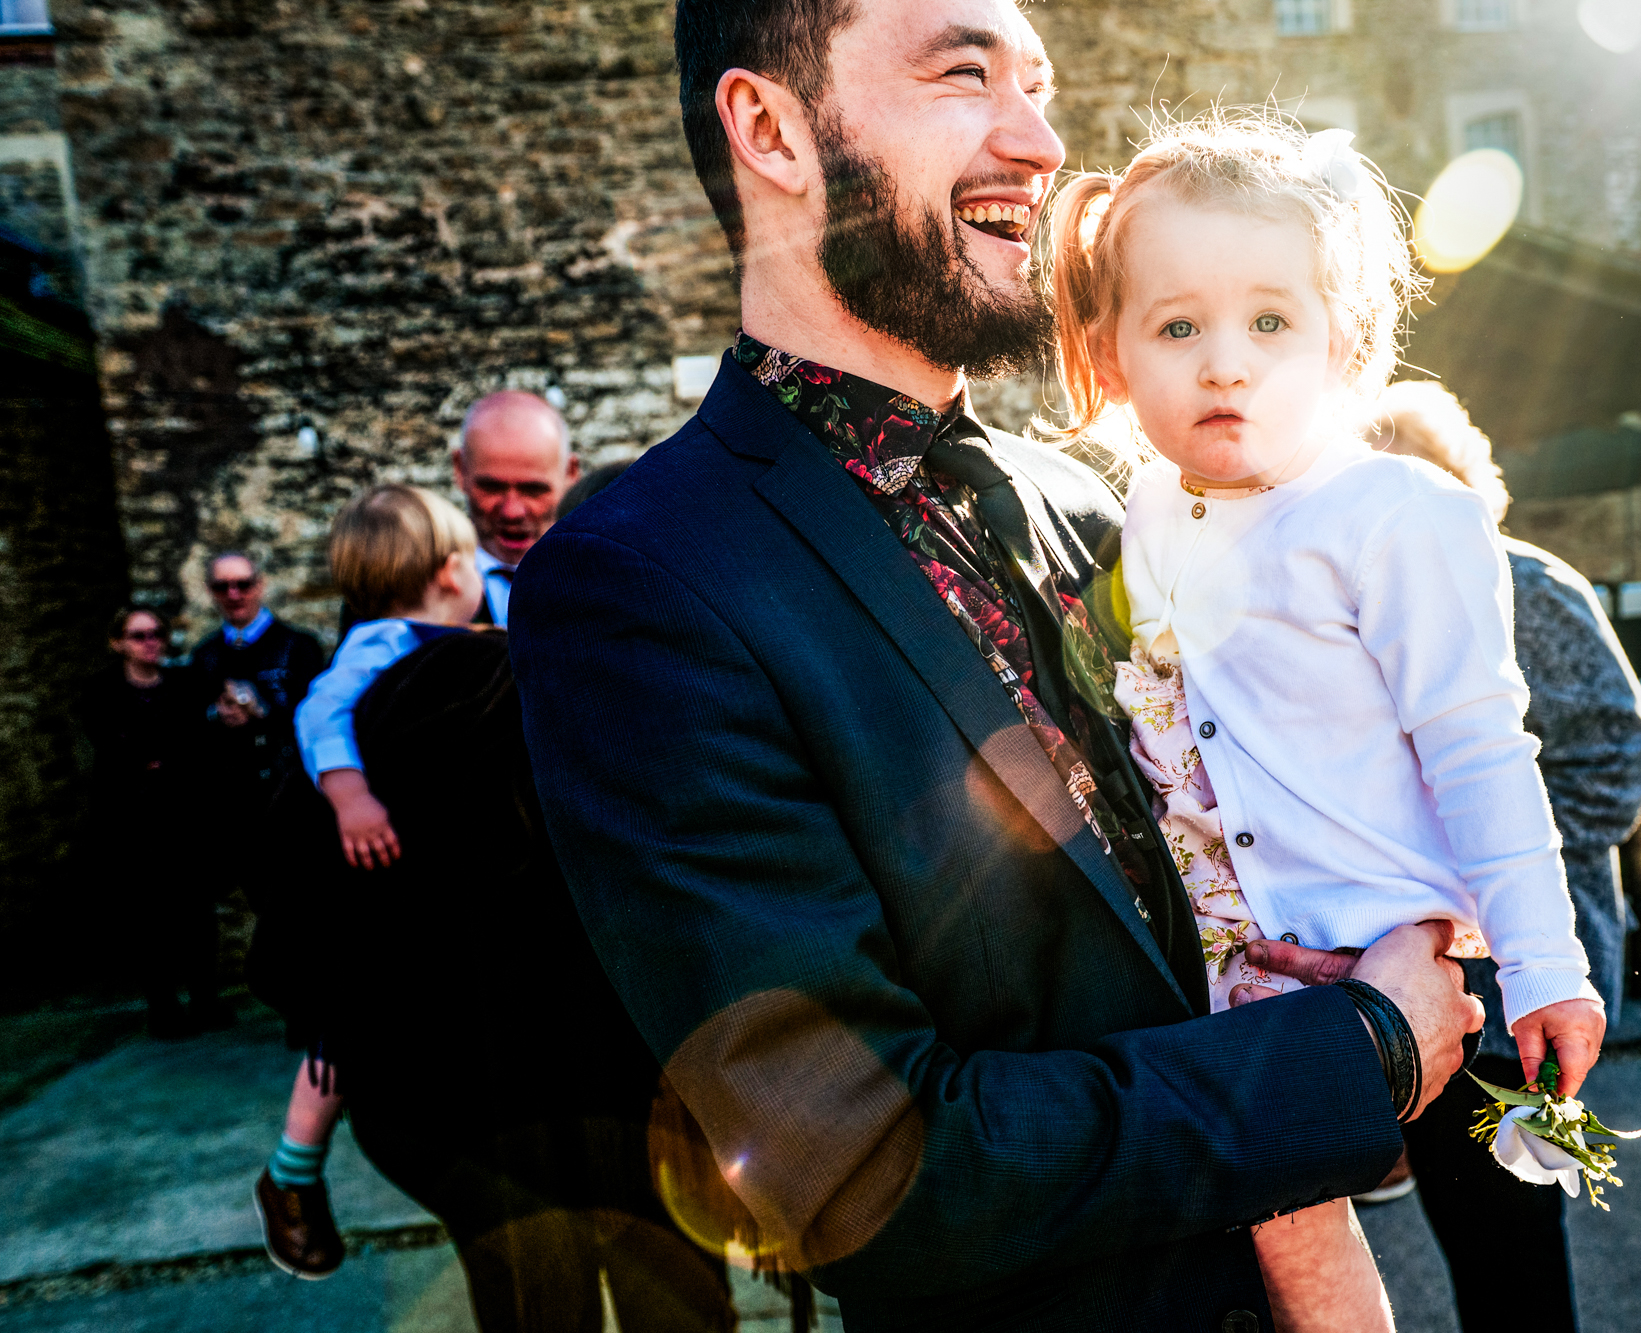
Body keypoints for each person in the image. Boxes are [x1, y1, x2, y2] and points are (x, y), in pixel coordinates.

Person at [509, 3, 1484, 1330]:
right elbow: (856, 1170)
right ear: (771, 129)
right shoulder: (641, 586)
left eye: (1038, 83)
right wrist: (1353, 1052)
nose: (1040, 141)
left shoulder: (1100, 506)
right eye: (965, 74)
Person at [1042, 114, 1608, 1333]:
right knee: (1293, 1268)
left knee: (1509, 1270)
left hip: (1442, 993)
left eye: (1269, 321)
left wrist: (1541, 966)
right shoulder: (1138, 509)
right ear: (1110, 351)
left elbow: (1479, 749)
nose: (1224, 364)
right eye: (1176, 325)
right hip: (1267, 1006)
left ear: (1341, 336)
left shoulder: (1392, 515)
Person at [254, 627, 737, 1332]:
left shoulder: (419, 681)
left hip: (556, 1077)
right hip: (532, 1074)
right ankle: (295, 1164)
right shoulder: (417, 675)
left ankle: (297, 1163)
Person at [1368, 380, 1641, 1333]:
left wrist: (1497, 865)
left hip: (1521, 1001)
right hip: (1447, 997)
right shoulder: (1384, 600)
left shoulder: (1524, 583)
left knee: (1514, 1253)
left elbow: (1620, 757)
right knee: (1482, 1240)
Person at [253, 485, 486, 1280]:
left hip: (412, 881)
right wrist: (349, 792)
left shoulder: (458, 631)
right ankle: (290, 1173)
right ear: (454, 571)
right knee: (342, 1031)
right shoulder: (379, 644)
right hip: (371, 888)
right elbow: (321, 713)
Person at [78, 607, 220, 1038]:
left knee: (196, 911)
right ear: (117, 642)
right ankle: (164, 1008)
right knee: (148, 918)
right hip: (132, 822)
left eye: (156, 633)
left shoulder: (183, 684)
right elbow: (118, 749)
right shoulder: (102, 691)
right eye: (138, 636)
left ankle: (205, 1001)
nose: (150, 642)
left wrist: (165, 759)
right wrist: (156, 758)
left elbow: (196, 744)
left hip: (183, 816)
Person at [188, 552, 325, 815]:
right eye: (222, 586)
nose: (233, 594)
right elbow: (192, 726)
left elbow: (316, 718)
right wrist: (217, 713)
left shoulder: (300, 647)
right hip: (229, 799)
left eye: (243, 584)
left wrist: (263, 710)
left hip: (290, 791)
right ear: (210, 591)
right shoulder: (204, 655)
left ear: (260, 585)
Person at [452, 390, 580, 629]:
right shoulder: (414, 587)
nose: (512, 511)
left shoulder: (599, 580)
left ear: (570, 474)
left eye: (533, 490)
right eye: (491, 487)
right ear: (460, 470)